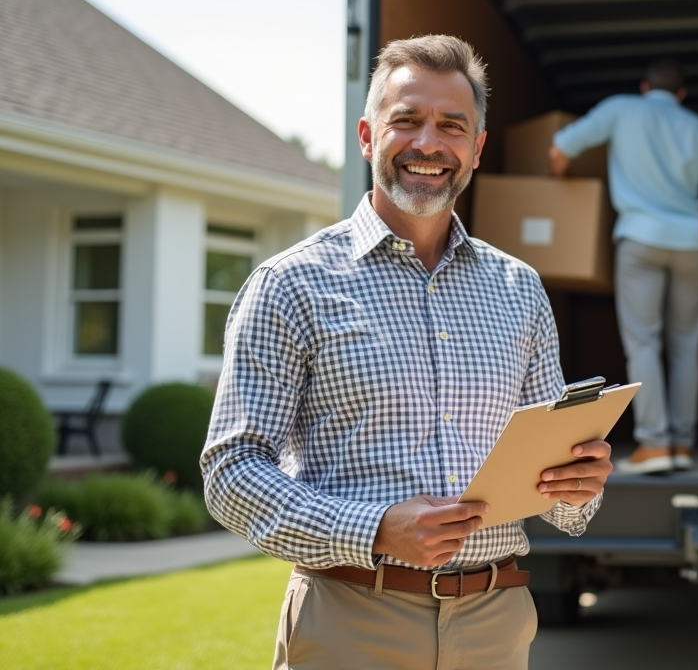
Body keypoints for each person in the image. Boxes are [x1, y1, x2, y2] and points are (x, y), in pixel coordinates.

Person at [202, 35, 614, 670]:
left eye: (452, 125)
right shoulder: (290, 284)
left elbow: (558, 490)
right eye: (407, 120)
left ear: (476, 148)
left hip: (496, 626)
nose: (429, 143)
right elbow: (231, 473)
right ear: (368, 137)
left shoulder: (519, 289)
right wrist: (373, 530)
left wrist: (578, 487)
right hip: (352, 620)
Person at [548, 58, 698, 474]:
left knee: (643, 343)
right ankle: (682, 444)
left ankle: (654, 443)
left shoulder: (620, 109)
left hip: (640, 239)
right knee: (686, 345)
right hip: (693, 244)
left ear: (645, 87)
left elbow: (559, 150)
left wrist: (559, 183)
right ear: (681, 94)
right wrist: (686, 212)